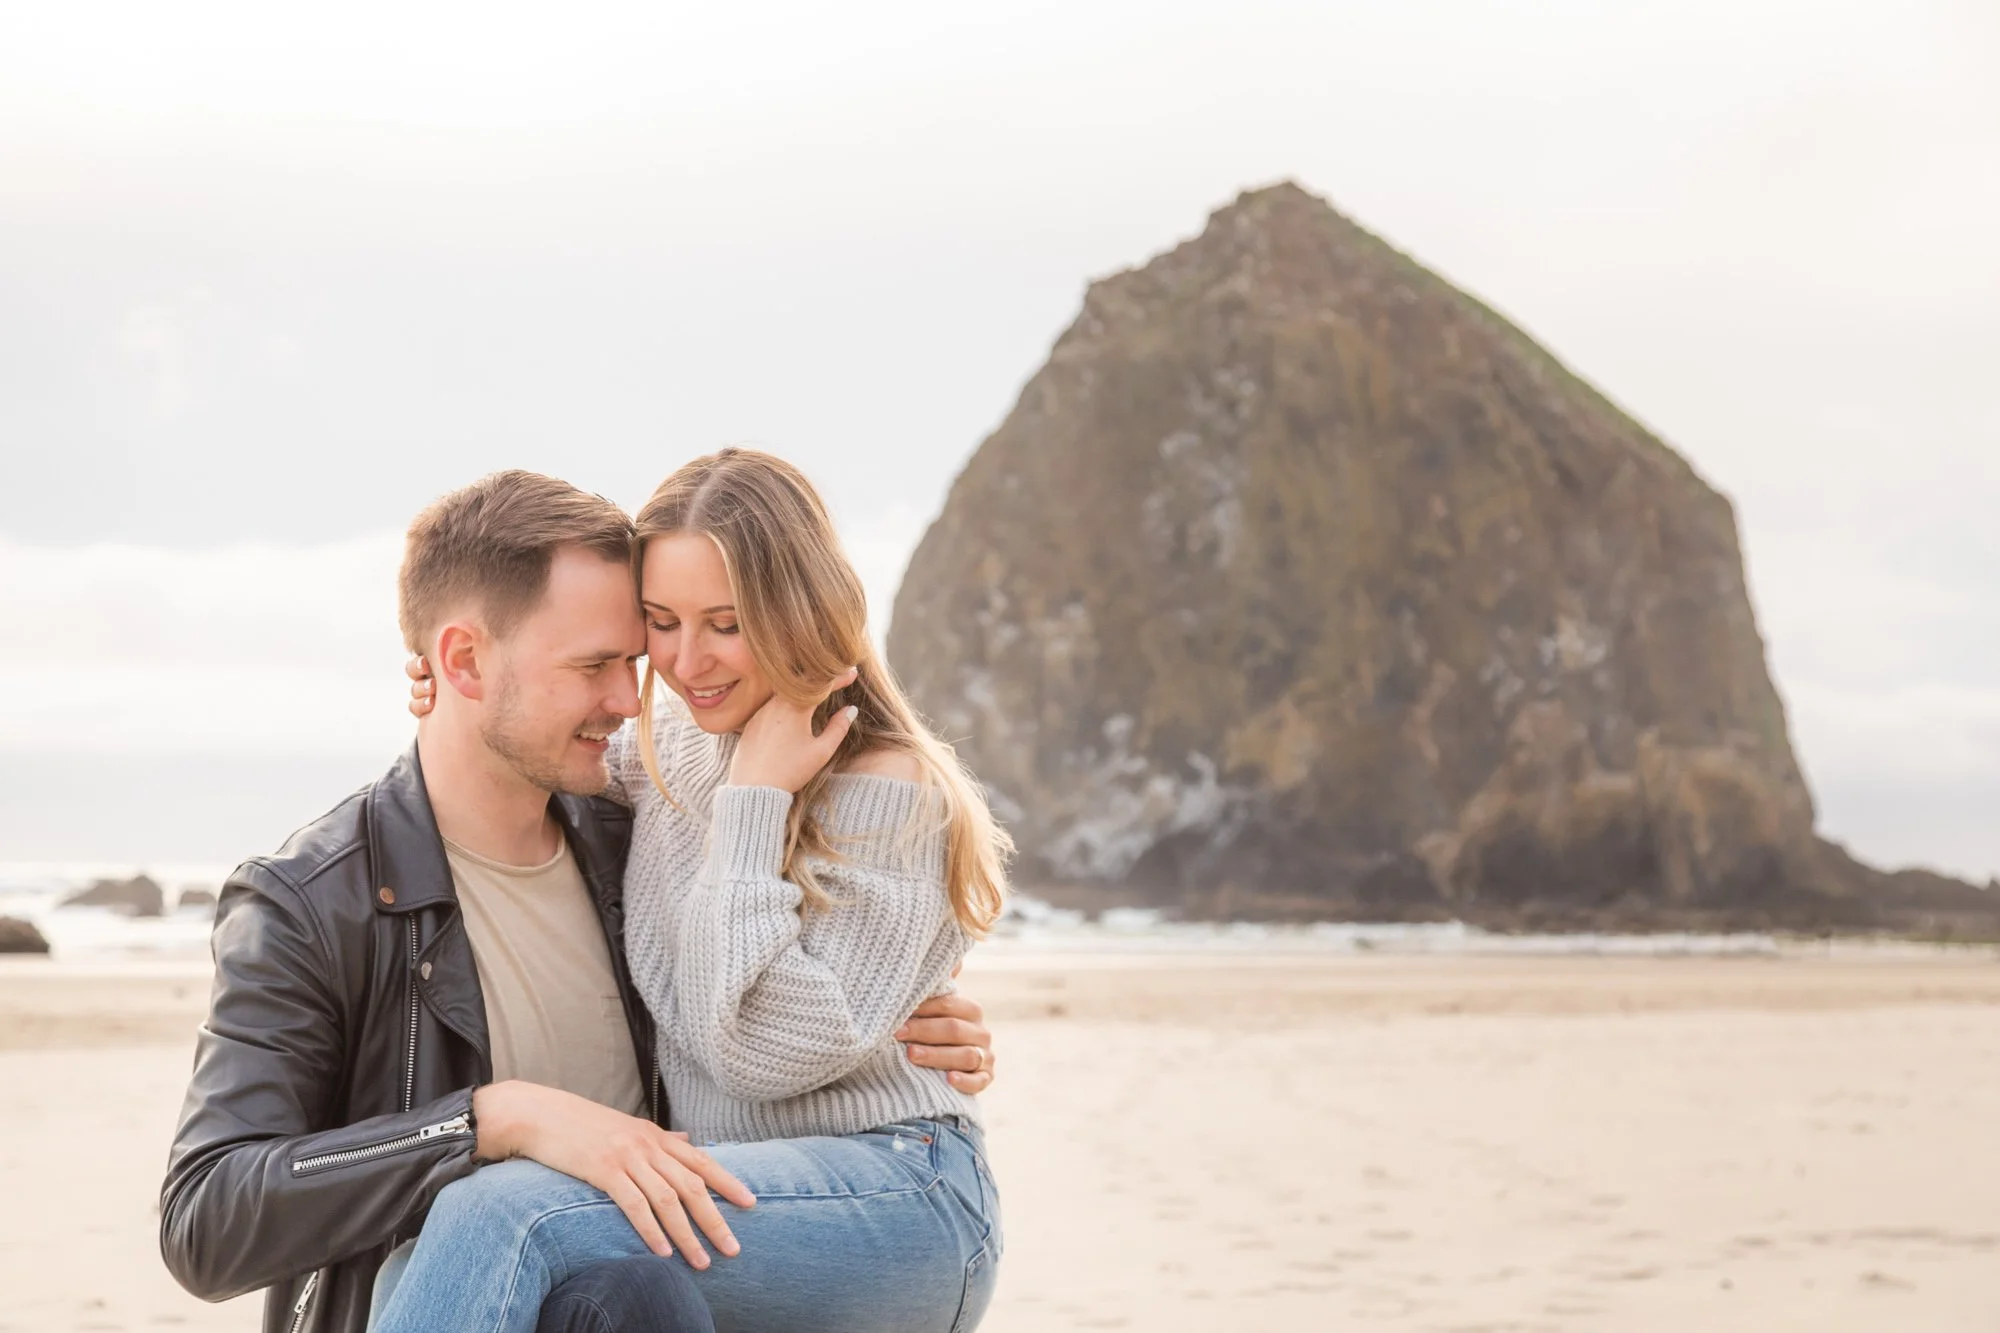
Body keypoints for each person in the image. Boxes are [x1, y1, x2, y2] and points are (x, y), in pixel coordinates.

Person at [159, 470, 998, 1333]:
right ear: (461, 660)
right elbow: (205, 1218)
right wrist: (486, 1123)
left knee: (549, 1243)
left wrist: (907, 994)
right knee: (553, 1253)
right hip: (575, 1275)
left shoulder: (622, 824)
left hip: (791, 1219)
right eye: (616, 656)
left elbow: (790, 989)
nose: (636, 693)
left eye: (631, 662)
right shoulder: (315, 901)